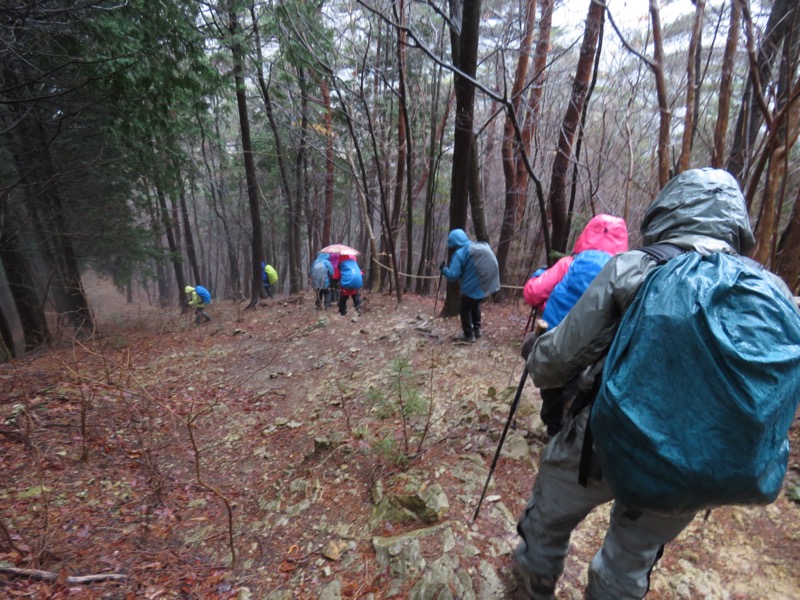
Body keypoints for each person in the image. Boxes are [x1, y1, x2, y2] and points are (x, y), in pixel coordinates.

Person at [514, 168, 796, 599]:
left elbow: (554, 363)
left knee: (548, 515)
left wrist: (535, 351)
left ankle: (534, 584)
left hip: (605, 445)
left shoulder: (635, 268)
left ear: (669, 208)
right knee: (629, 560)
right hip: (698, 462)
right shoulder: (772, 290)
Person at [522, 214, 629, 436]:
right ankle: (572, 431)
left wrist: (540, 276)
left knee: (549, 375)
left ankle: (553, 427)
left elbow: (532, 293)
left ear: (587, 234)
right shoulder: (623, 274)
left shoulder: (568, 265)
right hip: (595, 351)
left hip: (555, 342)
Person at [440, 228, 500, 342]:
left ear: (455, 242)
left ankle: (468, 335)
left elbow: (453, 276)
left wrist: (444, 270)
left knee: (465, 309)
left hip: (472, 286)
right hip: (485, 284)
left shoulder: (460, 253)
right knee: (475, 305)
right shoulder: (477, 246)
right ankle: (477, 330)